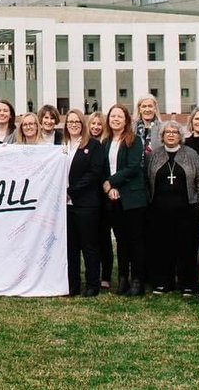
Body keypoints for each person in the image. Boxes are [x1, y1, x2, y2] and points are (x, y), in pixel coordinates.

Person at [145, 121, 199, 295]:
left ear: (180, 135)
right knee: (163, 247)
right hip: (160, 210)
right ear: (162, 136)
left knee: (186, 246)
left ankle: (187, 283)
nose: (171, 135)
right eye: (167, 132)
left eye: (175, 132)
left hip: (187, 209)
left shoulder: (191, 154)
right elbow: (147, 181)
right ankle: (164, 282)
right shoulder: (154, 156)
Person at [102, 105, 147, 296]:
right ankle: (122, 279)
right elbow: (102, 167)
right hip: (113, 198)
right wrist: (109, 189)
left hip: (133, 198)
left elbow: (133, 167)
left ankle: (137, 280)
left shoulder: (134, 140)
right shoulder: (105, 142)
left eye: (120, 116)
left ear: (126, 120)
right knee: (121, 240)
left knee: (136, 240)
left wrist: (110, 182)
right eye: (113, 116)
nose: (116, 119)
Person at [65, 109, 105, 297]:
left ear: (83, 124)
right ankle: (72, 284)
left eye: (77, 122)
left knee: (89, 245)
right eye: (70, 121)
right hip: (66, 205)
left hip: (86, 203)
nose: (73, 124)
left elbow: (94, 173)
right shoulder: (62, 145)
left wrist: (72, 190)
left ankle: (92, 284)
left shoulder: (94, 145)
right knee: (70, 247)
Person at [86, 111, 113, 287]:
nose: (95, 127)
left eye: (99, 124)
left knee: (104, 237)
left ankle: (106, 276)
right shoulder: (85, 143)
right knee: (92, 238)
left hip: (104, 195)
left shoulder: (106, 144)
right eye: (93, 124)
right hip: (89, 196)